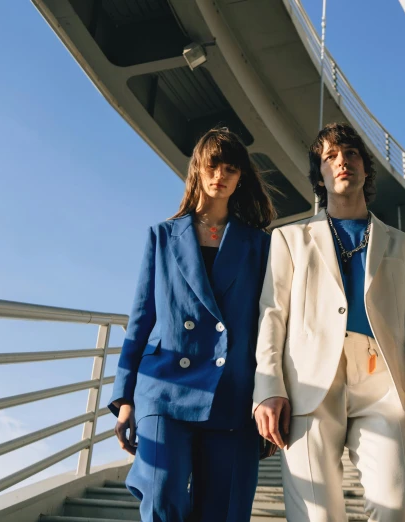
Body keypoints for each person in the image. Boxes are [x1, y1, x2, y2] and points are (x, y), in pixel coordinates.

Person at [253, 122, 405, 522]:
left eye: (351, 154)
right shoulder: (289, 240)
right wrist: (268, 387)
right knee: (315, 516)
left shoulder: (404, 247)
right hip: (309, 384)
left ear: (365, 169)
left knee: (398, 509)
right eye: (330, 156)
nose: (342, 161)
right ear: (320, 176)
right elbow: (273, 315)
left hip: (382, 382)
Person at [110, 127, 276, 522]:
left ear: (240, 178)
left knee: (224, 510)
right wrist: (124, 397)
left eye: (231, 168)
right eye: (213, 164)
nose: (220, 174)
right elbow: (141, 320)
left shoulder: (260, 245)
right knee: (161, 494)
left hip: (234, 392)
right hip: (165, 389)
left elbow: (272, 324)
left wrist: (272, 394)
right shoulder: (163, 237)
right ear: (198, 170)